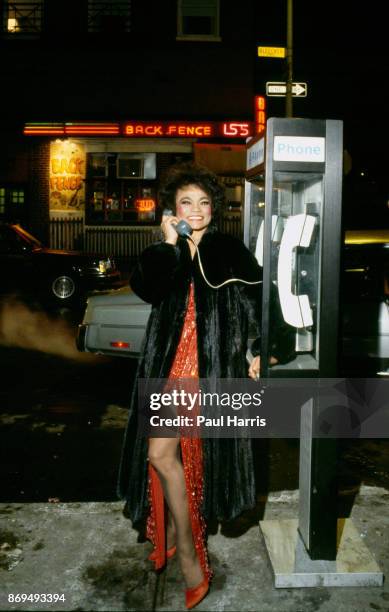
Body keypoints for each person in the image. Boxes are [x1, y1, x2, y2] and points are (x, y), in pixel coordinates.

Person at [117, 162, 264, 609]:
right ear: (172, 209)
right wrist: (168, 242)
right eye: (187, 203)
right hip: (168, 364)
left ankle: (190, 557)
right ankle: (182, 540)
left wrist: (256, 349)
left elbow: (254, 303)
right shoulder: (169, 250)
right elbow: (145, 289)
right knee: (161, 456)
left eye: (203, 203)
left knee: (178, 456)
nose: (196, 210)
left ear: (214, 209)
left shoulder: (229, 250)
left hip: (207, 369)